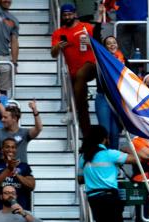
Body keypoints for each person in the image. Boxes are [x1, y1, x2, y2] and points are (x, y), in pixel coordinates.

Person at [52, 3, 96, 135]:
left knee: (81, 74)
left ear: (75, 14)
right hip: (73, 72)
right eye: (65, 15)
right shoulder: (58, 33)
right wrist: (58, 47)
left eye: (69, 14)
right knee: (82, 107)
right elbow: (53, 54)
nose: (67, 17)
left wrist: (91, 42)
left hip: (90, 65)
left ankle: (71, 109)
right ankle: (87, 139)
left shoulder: (86, 27)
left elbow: (100, 44)